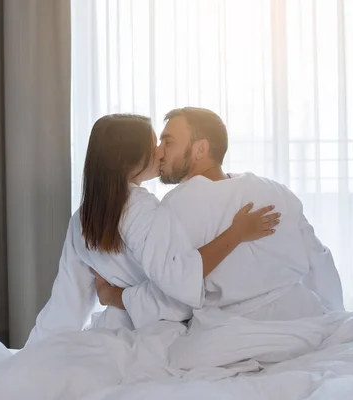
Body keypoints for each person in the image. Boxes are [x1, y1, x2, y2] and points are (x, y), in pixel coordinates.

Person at [26, 114, 279, 346]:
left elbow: (66, 304)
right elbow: (181, 290)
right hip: (151, 338)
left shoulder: (82, 218)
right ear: (131, 158)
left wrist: (37, 352)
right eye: (154, 145)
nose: (160, 153)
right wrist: (236, 233)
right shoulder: (142, 209)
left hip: (108, 335)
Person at [95, 107, 344, 327]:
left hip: (231, 331)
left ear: (200, 149)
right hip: (304, 319)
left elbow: (171, 293)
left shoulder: (174, 208)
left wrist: (115, 296)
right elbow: (319, 261)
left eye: (168, 142)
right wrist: (334, 319)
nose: (159, 152)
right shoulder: (275, 191)